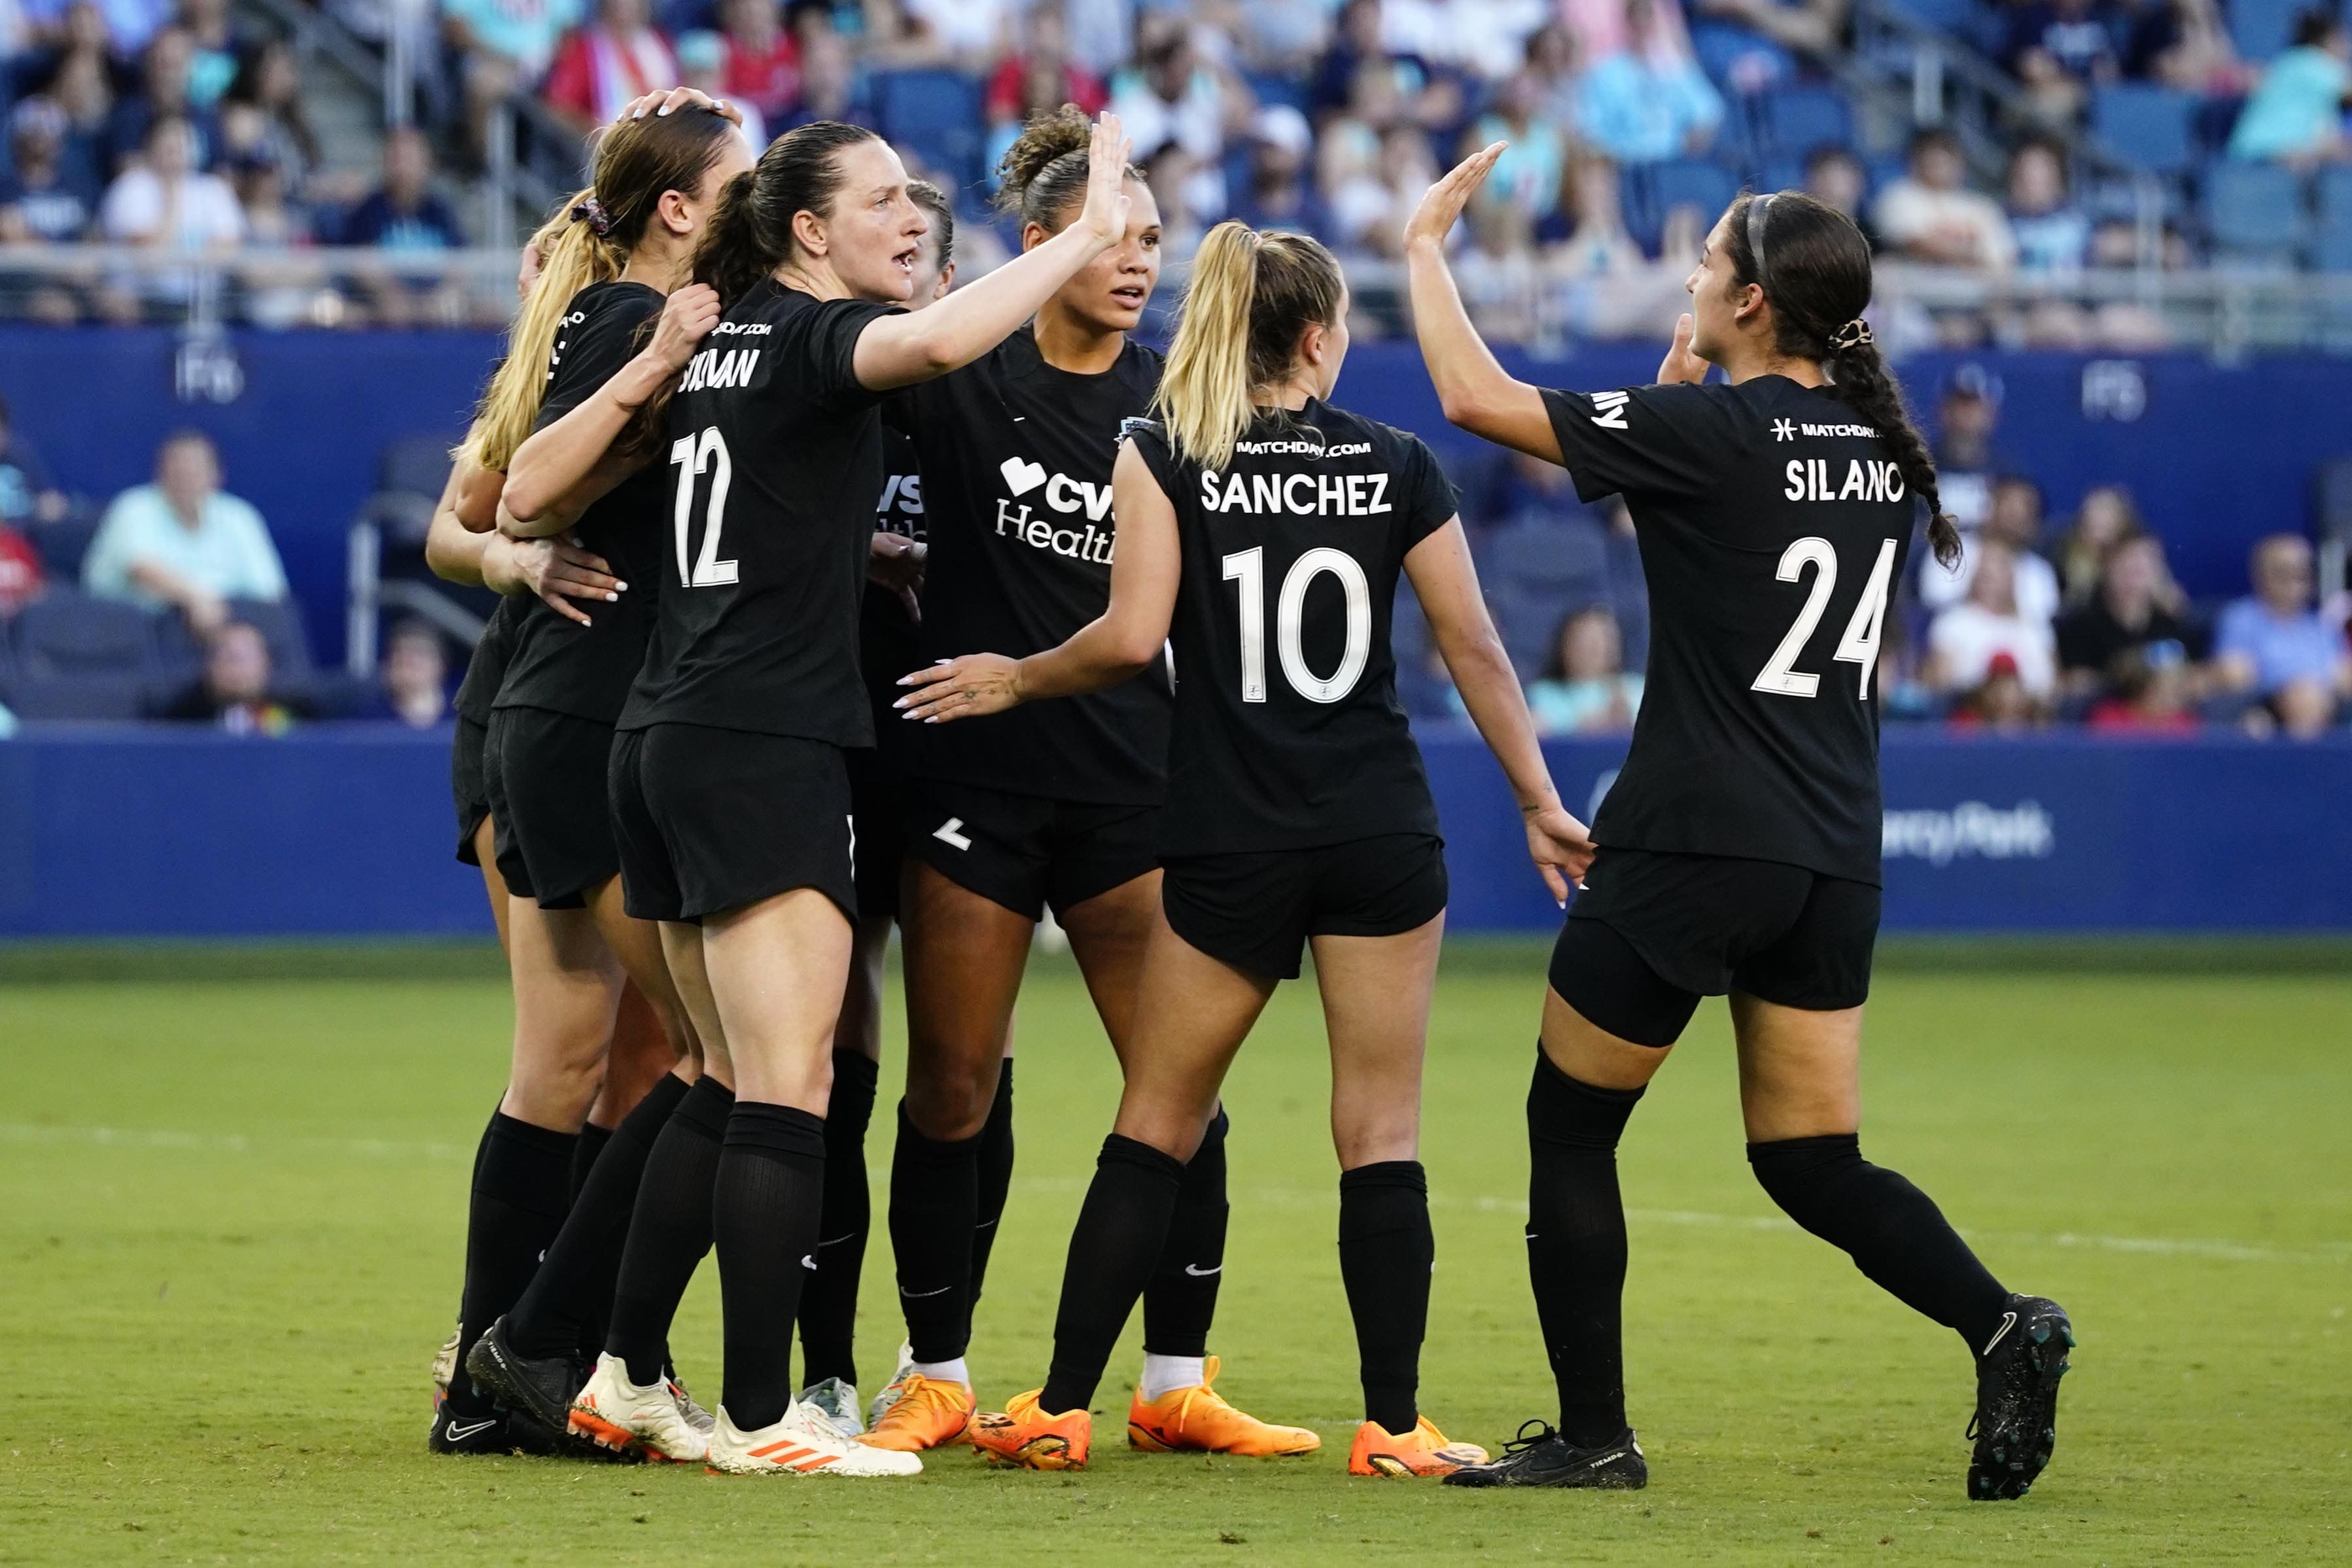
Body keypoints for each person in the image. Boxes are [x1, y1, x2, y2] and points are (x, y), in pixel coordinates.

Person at [1404, 153, 2072, 1496]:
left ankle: (1595, 1437)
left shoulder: (1709, 434)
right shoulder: (1880, 453)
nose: (1692, 277)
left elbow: (1473, 397)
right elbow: (1726, 523)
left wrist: (1423, 244)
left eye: (1708, 265)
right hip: (1830, 848)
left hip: (1694, 834)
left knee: (1572, 1129)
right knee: (1811, 1155)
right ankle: (2002, 1322)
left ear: (1754, 301)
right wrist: (1673, 398)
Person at [905, 218, 1588, 1480]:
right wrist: (1541, 800)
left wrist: (1015, 677)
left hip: (1230, 839)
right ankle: (1393, 1426)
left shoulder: (1165, 452)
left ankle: (1060, 1403)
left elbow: (1124, 641)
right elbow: (1477, 650)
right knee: (1381, 1130)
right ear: (1321, 337)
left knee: (1153, 1120)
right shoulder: (1397, 462)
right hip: (1379, 828)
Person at [570, 109, 1157, 1480]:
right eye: (884, 199)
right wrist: (1082, 228)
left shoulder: (713, 340)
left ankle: (617, 1376)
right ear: (809, 230)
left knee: (719, 1079)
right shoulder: (815, 333)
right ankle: (771, 1417)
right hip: (760, 737)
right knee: (788, 1087)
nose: (910, 218)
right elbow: (943, 342)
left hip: (664, 731)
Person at [851, 105, 1294, 1463]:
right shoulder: (960, 373)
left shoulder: (1177, 404)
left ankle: (1173, 1377)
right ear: (1042, 244)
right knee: (952, 1089)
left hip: (1132, 790)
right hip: (970, 780)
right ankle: (934, 1370)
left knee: (1178, 1090)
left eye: (1153, 240)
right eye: (1112, 236)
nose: (1139, 260)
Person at [440, 102, 753, 1457]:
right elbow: (493, 508)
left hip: (543, 706)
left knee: (570, 1059)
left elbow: (493, 500)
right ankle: (554, 1351)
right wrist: (519, 550)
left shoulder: (585, 315)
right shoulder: (642, 329)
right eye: (741, 178)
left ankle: (499, 1373)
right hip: (586, 708)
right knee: (710, 1054)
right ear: (678, 207)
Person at [781, 175, 955, 1437]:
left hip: (954, 761)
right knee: (829, 1059)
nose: (910, 268)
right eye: (889, 237)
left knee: (959, 1068)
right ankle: (825, 1365)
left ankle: (935, 1363)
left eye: (926, 254)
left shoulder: (976, 414)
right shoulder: (812, 392)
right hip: (827, 753)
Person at [83, 430, 285, 633]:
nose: (186, 476)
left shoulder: (239, 516)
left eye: (196, 469)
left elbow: (269, 592)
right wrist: (195, 599)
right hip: (143, 630)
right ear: (160, 473)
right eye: (178, 468)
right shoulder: (133, 507)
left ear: (217, 476)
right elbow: (140, 568)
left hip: (231, 627)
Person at [2213, 533, 2352, 737]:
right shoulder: (2240, 619)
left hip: (2323, 711)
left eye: (2302, 575)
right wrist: (2294, 691)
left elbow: (2344, 678)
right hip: (2266, 711)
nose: (2293, 585)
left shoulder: (2322, 627)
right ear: (2260, 575)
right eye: (2283, 574)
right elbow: (2236, 674)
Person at [2054, 528, 2204, 699]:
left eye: (2144, 566)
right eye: (2127, 565)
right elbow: (2075, 683)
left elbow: (2193, 676)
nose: (2135, 575)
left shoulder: (2172, 624)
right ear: (2107, 568)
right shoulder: (2081, 627)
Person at [1925, 540, 2058, 702]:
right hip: (1971, 713)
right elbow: (1940, 684)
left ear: (2012, 578)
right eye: (1986, 575)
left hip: (2027, 718)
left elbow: (2052, 687)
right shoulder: (1953, 622)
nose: (1991, 582)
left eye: (1999, 572)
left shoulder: (2034, 627)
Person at [1873, 129, 2016, 272]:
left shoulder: (1982, 205)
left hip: (1975, 292)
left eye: (1948, 158)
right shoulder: (1898, 196)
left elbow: (2004, 258)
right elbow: (1914, 244)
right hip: (1917, 290)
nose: (1942, 165)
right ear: (1917, 160)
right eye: (1933, 158)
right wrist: (1970, 258)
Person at [2226, 10, 2351, 166]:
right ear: (2329, 39)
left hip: (2254, 154)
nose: (2348, 46)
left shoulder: (2287, 63)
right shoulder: (2313, 63)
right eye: (2344, 40)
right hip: (2267, 154)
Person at [154, 619, 306, 731]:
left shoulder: (298, 715)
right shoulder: (181, 719)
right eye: (229, 658)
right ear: (209, 664)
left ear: (266, 663)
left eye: (244, 658)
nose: (237, 668)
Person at [1528, 605, 1644, 733]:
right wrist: (1596, 723)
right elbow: (1537, 731)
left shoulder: (1636, 688)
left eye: (1601, 640)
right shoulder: (1544, 694)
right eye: (1583, 640)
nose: (1592, 647)